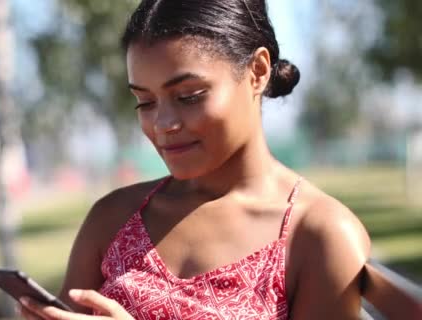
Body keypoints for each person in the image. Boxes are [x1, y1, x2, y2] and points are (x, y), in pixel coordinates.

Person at [19, 0, 370, 318]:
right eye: (145, 101)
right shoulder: (112, 220)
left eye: (189, 96)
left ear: (258, 72)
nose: (163, 124)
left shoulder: (318, 234)